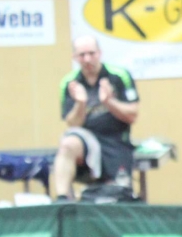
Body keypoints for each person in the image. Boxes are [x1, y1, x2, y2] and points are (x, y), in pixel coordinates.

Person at [53, 36, 139, 200]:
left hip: (115, 140)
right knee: (67, 143)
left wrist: (109, 102)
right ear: (74, 57)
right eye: (82, 55)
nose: (87, 59)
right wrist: (80, 103)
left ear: (99, 53)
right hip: (86, 140)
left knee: (117, 194)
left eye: (91, 53)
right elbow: (72, 124)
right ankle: (62, 198)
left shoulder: (119, 76)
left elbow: (132, 115)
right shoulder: (69, 83)